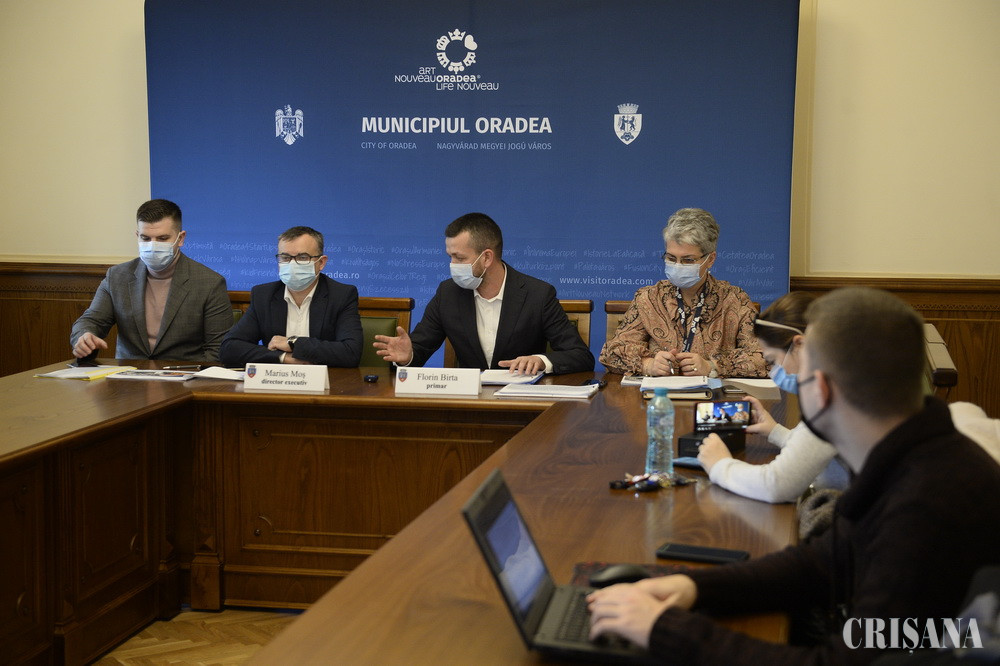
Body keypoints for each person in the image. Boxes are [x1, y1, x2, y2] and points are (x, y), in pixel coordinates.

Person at [588, 287, 1000, 664]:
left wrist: (664, 630)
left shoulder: (926, 506)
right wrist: (694, 588)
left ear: (821, 390)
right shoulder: (912, 452)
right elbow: (824, 562)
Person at [373, 212, 594, 374]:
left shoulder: (538, 294)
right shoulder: (448, 293)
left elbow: (580, 355)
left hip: (521, 404)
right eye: (450, 257)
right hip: (469, 405)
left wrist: (540, 361)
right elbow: (420, 348)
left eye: (459, 258)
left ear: (487, 257)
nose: (452, 265)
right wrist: (407, 356)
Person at [697, 292, 850, 503]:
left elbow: (776, 485)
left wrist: (719, 465)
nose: (775, 371)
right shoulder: (846, 382)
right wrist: (774, 431)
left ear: (800, 344)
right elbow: (818, 448)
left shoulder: (830, 401)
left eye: (773, 360)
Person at [599, 208, 766, 378]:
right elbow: (611, 353)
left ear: (710, 259)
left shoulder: (735, 300)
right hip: (659, 393)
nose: (678, 266)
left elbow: (766, 357)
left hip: (712, 394)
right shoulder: (648, 298)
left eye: (688, 260)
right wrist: (648, 365)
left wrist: (712, 366)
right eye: (671, 258)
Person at [70, 199, 232, 363]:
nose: (153, 246)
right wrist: (84, 336)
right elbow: (91, 320)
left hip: (183, 374)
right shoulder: (117, 277)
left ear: (181, 238)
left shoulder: (210, 283)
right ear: (137, 236)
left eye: (162, 238)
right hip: (128, 374)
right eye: (145, 238)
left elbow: (218, 350)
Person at [219, 226, 362, 367]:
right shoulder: (264, 295)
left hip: (326, 379)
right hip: (276, 378)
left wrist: (294, 343)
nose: (292, 264)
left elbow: (351, 352)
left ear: (321, 262)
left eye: (302, 257)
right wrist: (283, 357)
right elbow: (229, 348)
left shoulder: (341, 295)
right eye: (285, 257)